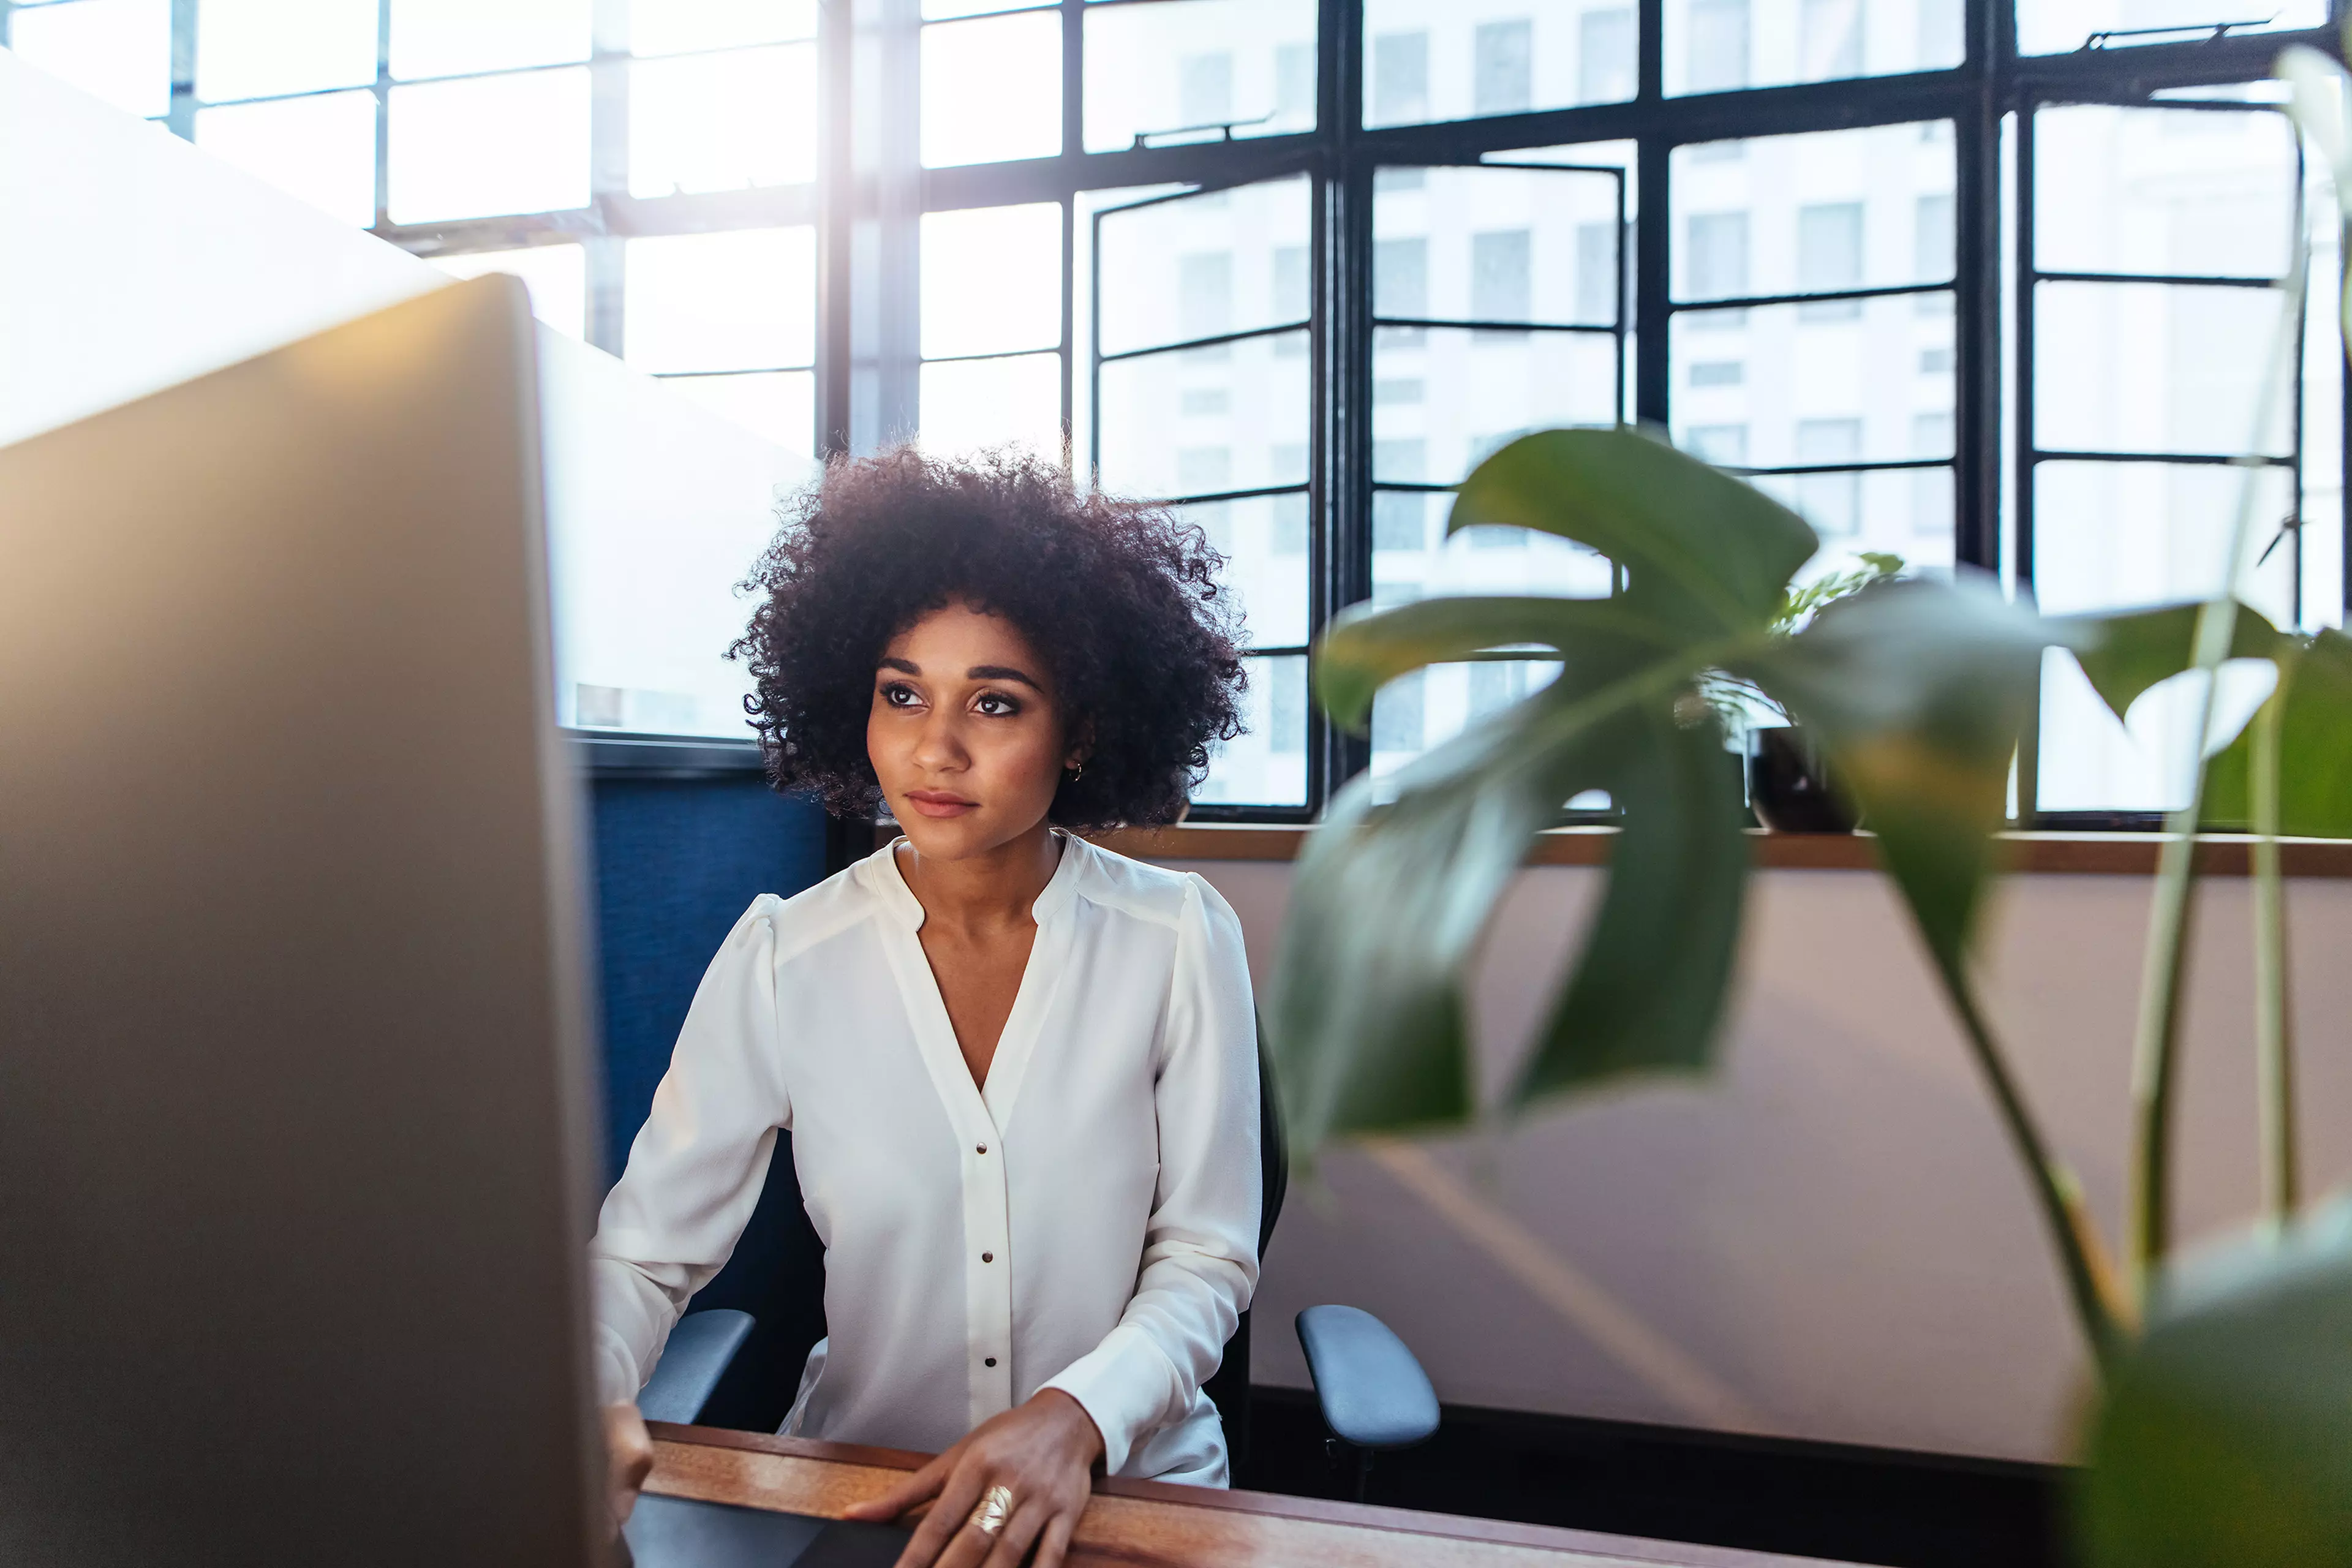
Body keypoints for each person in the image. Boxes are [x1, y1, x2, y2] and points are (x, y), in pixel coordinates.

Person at [590, 448, 1261, 1568]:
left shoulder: (1179, 937)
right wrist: (595, 1389)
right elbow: (644, 1259)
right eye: (902, 694)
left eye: (994, 703)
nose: (934, 749)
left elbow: (1205, 1257)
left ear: (1082, 732)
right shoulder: (780, 957)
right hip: (871, 1495)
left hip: (1126, 1494)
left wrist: (1074, 1419)